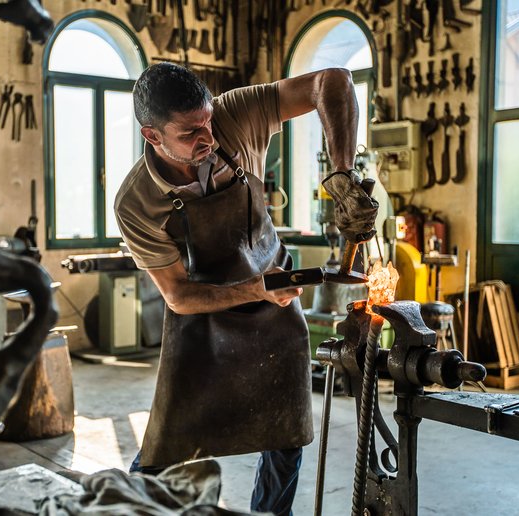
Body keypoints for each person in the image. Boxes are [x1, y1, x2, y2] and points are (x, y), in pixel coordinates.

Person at [114, 62, 378, 515]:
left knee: (286, 438)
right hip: (201, 327)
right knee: (164, 450)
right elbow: (179, 295)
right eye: (191, 133)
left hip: (276, 313)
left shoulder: (232, 115)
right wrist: (254, 289)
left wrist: (342, 173)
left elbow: (333, 81)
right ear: (152, 137)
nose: (209, 138)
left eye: (208, 122)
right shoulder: (137, 202)